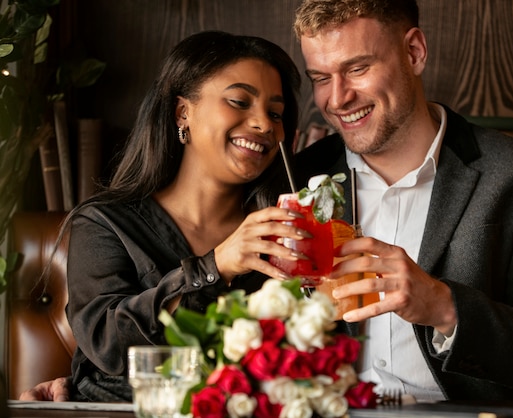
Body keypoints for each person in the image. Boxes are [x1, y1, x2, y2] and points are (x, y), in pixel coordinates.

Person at [290, 0, 513, 402]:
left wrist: (445, 308)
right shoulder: (294, 176)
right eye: (320, 77)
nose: (338, 98)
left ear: (414, 52)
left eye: (357, 69)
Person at [20, 30, 304, 402]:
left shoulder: (285, 233)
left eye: (276, 113)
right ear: (183, 112)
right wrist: (215, 267)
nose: (265, 124)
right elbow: (107, 343)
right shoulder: (104, 223)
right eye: (239, 101)